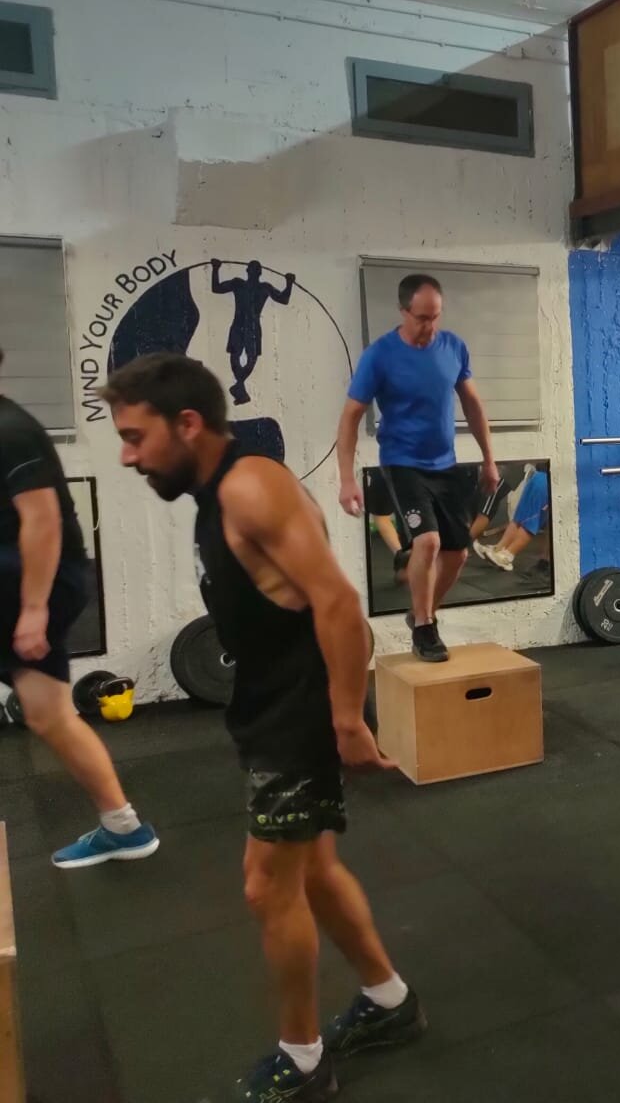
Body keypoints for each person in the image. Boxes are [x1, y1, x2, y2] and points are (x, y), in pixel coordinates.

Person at [102, 354, 424, 1101]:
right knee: (314, 872)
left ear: (187, 423)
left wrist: (345, 720)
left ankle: (302, 1060)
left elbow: (339, 604)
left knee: (266, 887)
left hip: (298, 714)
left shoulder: (251, 487)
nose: (127, 457)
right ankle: (389, 1001)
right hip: (270, 704)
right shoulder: (221, 490)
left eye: (135, 437)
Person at [0, 347, 159, 870]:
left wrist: (33, 609)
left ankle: (124, 826)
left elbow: (42, 520)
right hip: (20, 579)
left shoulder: (11, 430)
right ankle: (124, 827)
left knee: (49, 714)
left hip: (32, 583)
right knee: (47, 715)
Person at [336, 273, 499, 662]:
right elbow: (350, 418)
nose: (430, 326)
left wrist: (489, 460)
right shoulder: (379, 356)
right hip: (402, 463)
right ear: (403, 311)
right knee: (428, 542)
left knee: (458, 554)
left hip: (445, 464)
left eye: (435, 316)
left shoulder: (453, 348)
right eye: (422, 318)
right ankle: (425, 628)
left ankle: (421, 614)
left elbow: (473, 406)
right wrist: (346, 480)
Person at [212, 259, 295, 405]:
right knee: (236, 356)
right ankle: (240, 387)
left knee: (251, 358)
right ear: (248, 271)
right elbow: (216, 288)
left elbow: (283, 299)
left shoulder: (264, 287)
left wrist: (289, 283)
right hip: (239, 325)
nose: (253, 272)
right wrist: (215, 268)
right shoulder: (238, 284)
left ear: (259, 272)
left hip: (252, 327)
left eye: (256, 270)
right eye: (252, 269)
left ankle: (239, 385)